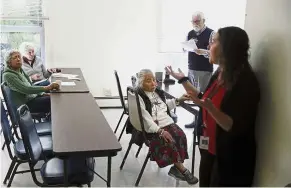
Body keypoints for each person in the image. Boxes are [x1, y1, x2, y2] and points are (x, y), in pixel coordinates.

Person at [166, 26, 260, 186]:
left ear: (227, 48)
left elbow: (234, 126)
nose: (208, 46)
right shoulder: (220, 72)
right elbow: (205, 98)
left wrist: (210, 109)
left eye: (213, 41)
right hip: (209, 150)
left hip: (229, 159)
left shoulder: (245, 81)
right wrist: (183, 80)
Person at [134, 69, 198, 185]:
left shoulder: (157, 92)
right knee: (169, 141)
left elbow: (164, 107)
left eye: (154, 80)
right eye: (148, 81)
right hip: (154, 128)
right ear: (140, 83)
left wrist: (178, 100)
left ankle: (176, 167)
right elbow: (146, 118)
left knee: (181, 136)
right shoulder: (140, 96)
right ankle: (182, 170)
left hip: (167, 122)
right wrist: (160, 131)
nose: (153, 83)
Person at [184, 11, 215, 128]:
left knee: (203, 97)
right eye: (194, 21)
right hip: (191, 68)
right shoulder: (190, 33)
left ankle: (203, 122)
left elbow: (213, 53)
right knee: (194, 97)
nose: (195, 23)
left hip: (204, 70)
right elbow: (186, 48)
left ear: (204, 21)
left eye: (198, 21)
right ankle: (196, 120)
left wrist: (203, 52)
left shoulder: (211, 33)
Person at [3, 50, 59, 114]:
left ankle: (52, 119)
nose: (18, 59)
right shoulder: (8, 75)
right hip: (24, 105)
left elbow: (30, 85)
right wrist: (47, 88)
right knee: (53, 100)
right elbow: (26, 89)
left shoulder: (19, 70)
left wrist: (42, 93)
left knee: (53, 97)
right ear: (9, 62)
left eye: (19, 57)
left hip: (31, 98)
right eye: (15, 57)